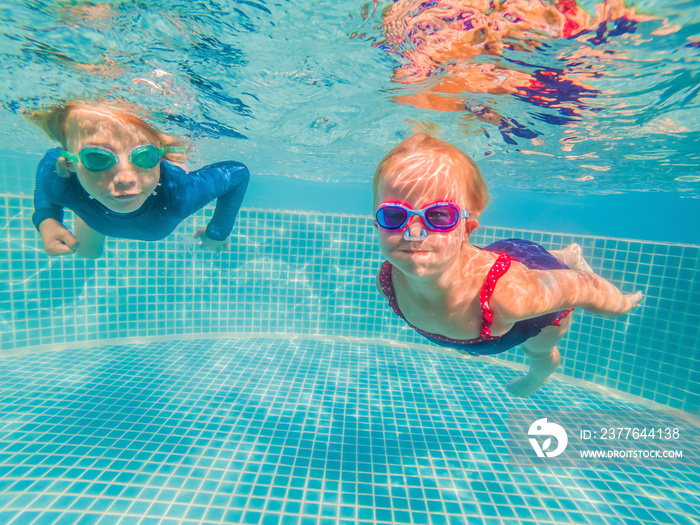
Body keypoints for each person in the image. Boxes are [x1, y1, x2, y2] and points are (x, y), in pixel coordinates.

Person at [372, 133, 642, 396]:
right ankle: (564, 255)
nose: (414, 233)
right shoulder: (388, 282)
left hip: (530, 309)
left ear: (466, 230)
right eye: (394, 215)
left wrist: (621, 305)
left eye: (439, 216)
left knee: (540, 351)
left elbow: (586, 287)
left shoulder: (509, 297)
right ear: (376, 225)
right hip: (490, 266)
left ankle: (538, 372)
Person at [29, 103, 249, 258]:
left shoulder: (178, 197)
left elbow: (238, 173)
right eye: (97, 158)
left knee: (175, 160)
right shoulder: (61, 179)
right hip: (93, 203)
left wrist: (218, 232)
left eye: (144, 156)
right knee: (88, 253)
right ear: (69, 164)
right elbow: (50, 161)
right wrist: (47, 218)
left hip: (157, 183)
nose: (125, 178)